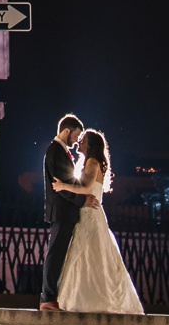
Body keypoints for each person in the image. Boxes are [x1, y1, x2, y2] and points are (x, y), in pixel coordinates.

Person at [51, 127, 144, 314]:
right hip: (88, 213)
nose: (80, 142)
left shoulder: (92, 162)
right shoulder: (90, 162)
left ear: (90, 145)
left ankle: (91, 299)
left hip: (90, 215)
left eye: (83, 140)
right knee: (88, 254)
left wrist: (62, 186)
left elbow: (86, 187)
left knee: (88, 253)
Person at [39, 113, 90, 311]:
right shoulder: (55, 151)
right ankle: (47, 298)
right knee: (55, 254)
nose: (77, 140)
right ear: (67, 131)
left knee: (59, 254)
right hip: (61, 212)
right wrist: (83, 199)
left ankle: (50, 296)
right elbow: (63, 185)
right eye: (75, 135)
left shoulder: (59, 151)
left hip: (64, 212)